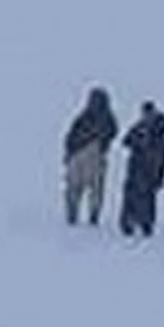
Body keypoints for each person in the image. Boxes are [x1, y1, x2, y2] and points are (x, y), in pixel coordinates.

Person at [119, 101, 164, 239]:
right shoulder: (139, 127)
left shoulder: (159, 131)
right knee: (131, 195)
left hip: (151, 170)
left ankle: (146, 225)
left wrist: (161, 174)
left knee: (148, 197)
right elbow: (126, 141)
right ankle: (129, 224)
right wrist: (137, 140)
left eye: (149, 113)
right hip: (136, 167)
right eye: (145, 113)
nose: (146, 116)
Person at [61, 86, 118, 226]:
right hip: (82, 155)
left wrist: (69, 153)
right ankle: (78, 214)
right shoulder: (84, 117)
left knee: (90, 188)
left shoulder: (104, 118)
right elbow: (70, 137)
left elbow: (111, 133)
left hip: (92, 154)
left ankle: (88, 215)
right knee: (79, 187)